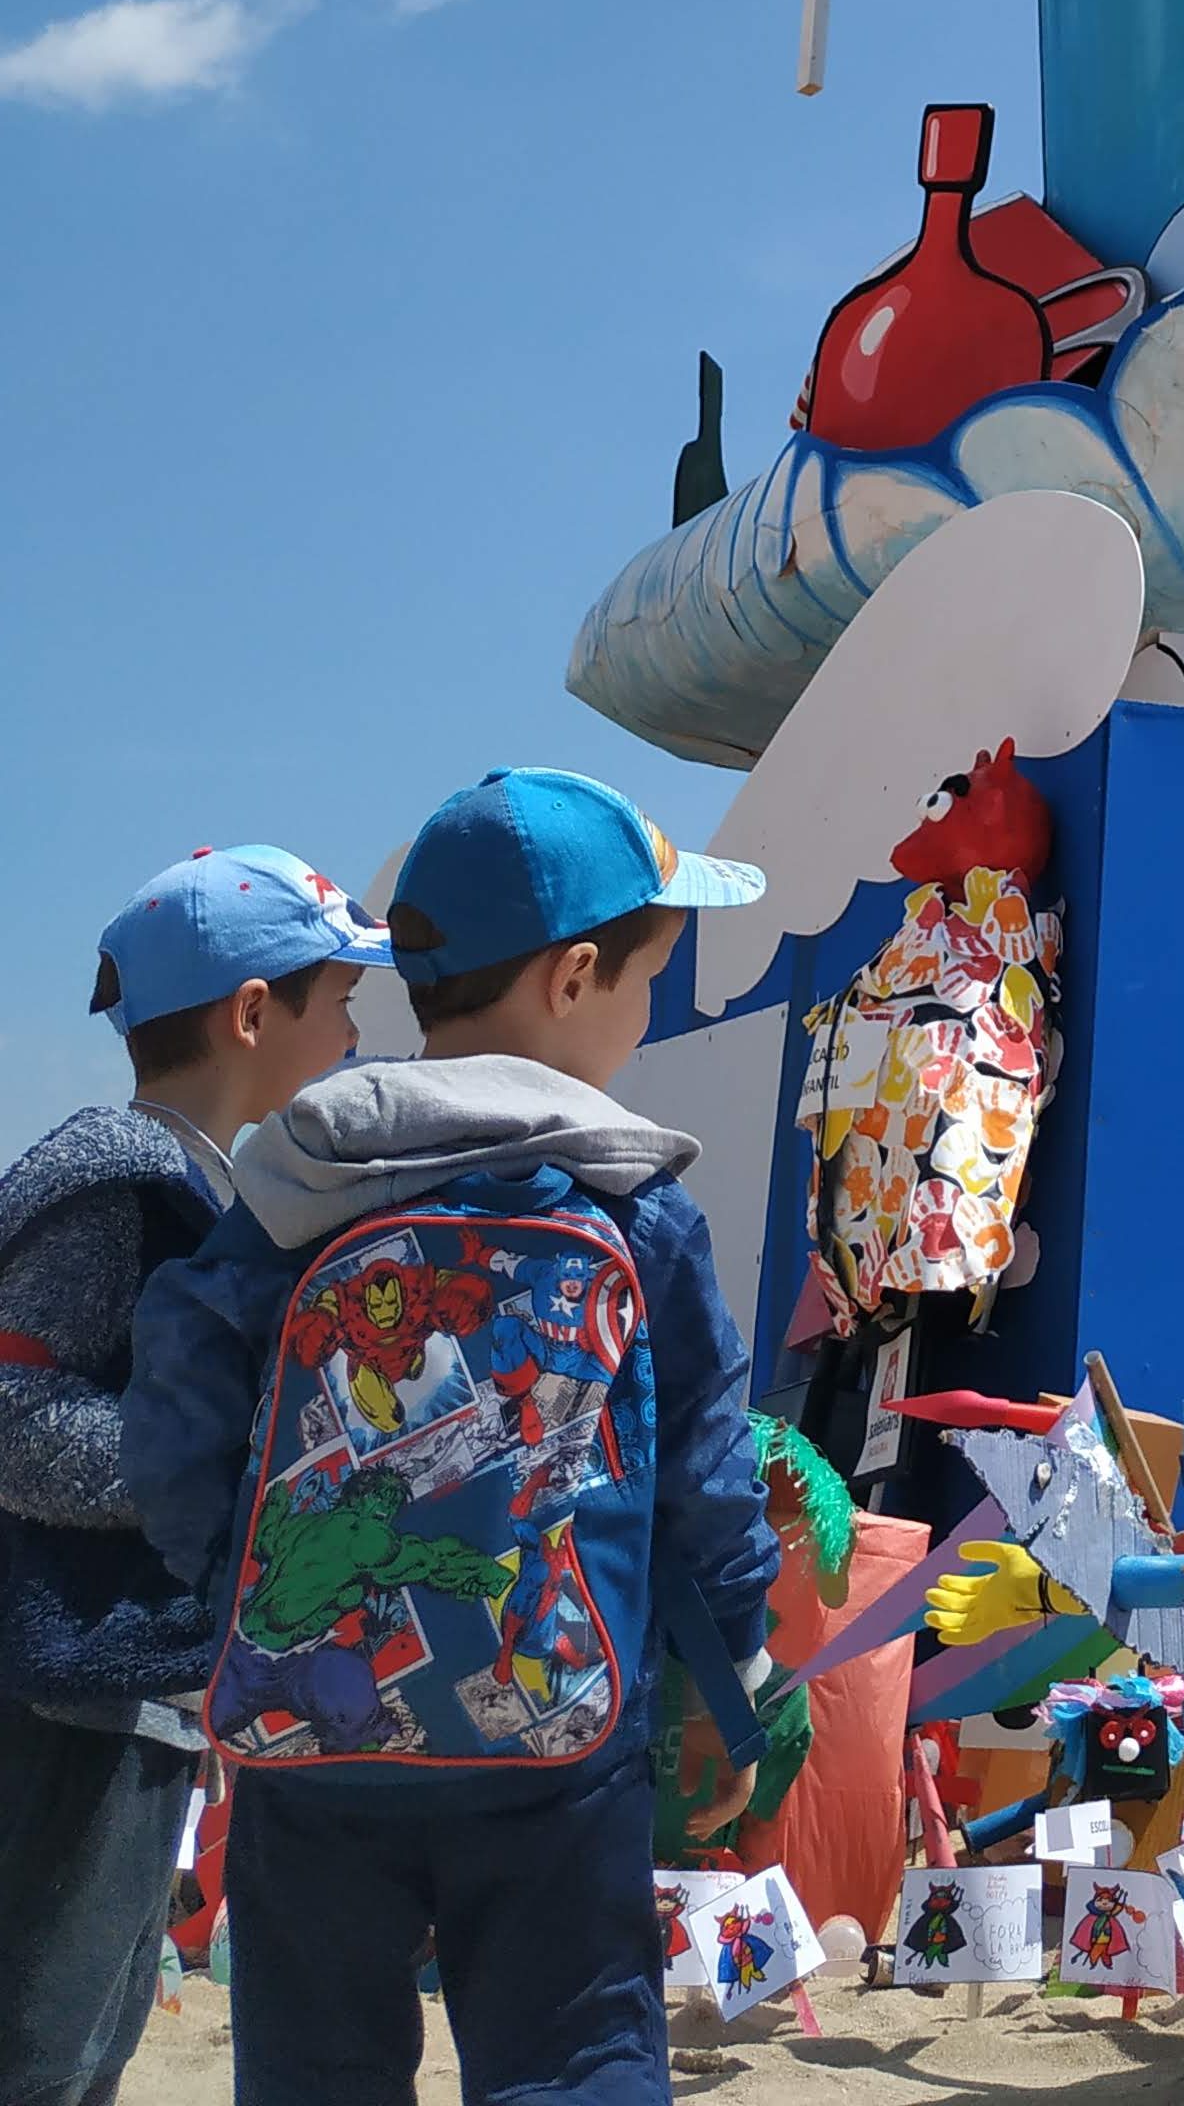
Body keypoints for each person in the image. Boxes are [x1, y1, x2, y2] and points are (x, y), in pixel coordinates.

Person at [126, 769, 779, 2106]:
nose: (647, 1012)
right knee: (573, 2046)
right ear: (575, 976)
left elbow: (175, 1409)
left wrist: (227, 1590)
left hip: (316, 1717)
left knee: (316, 2061)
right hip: (556, 1727)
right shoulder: (634, 1208)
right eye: (648, 979)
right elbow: (708, 1477)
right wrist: (742, 1666)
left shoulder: (300, 1188)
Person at [0, 847, 390, 2106]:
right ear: (252, 1010)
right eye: (340, 998)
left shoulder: (196, 1185)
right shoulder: (118, 1181)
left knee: (89, 2042)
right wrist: (229, 1469)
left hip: (128, 1688)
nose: (355, 1031)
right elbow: (14, 1414)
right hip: (65, 1693)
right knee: (43, 2052)